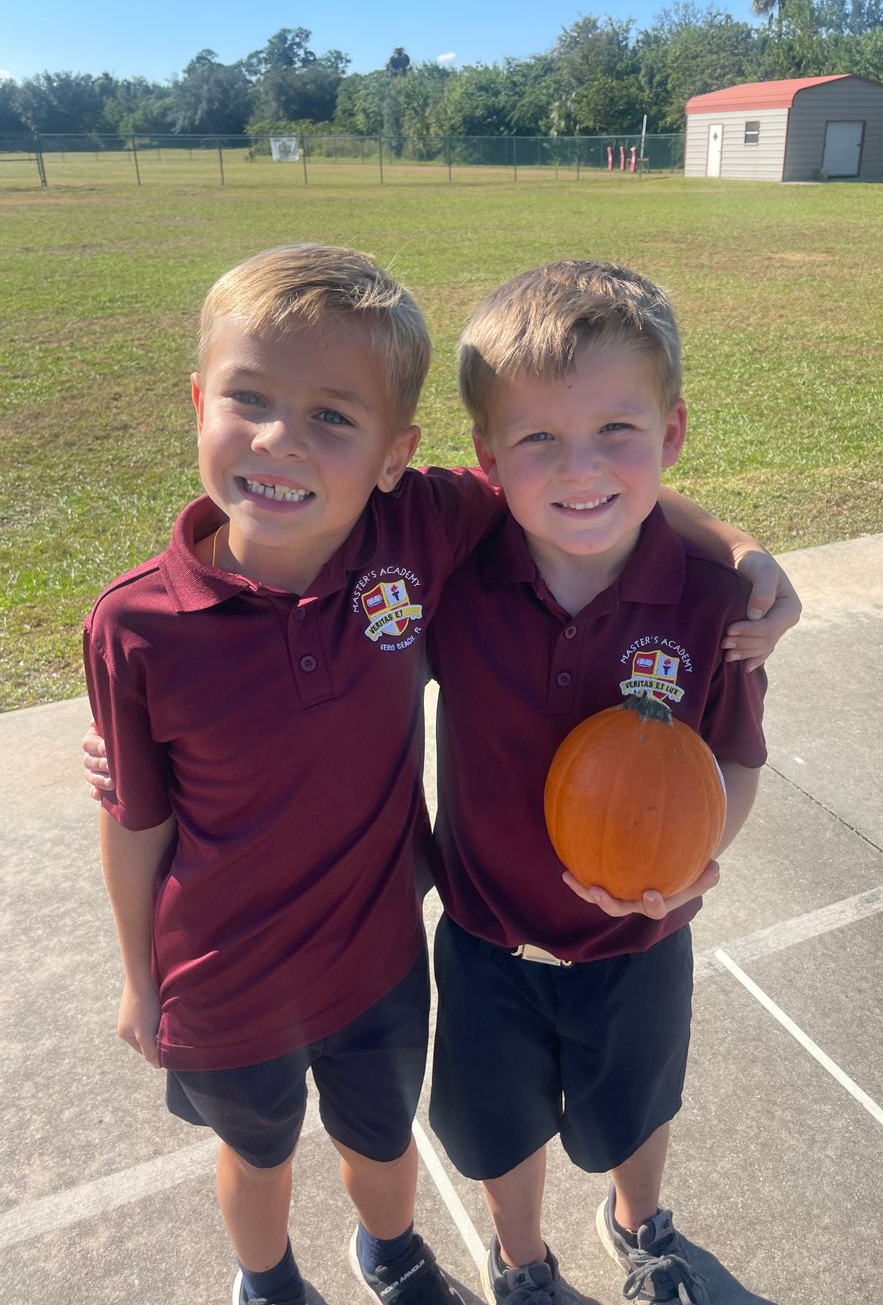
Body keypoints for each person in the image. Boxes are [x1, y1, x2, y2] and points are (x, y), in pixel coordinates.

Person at [82, 245, 797, 1305]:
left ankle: (566, 1234)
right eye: (250, 400)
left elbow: (614, 502)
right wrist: (139, 962)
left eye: (332, 415)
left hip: (524, 946)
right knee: (396, 1138)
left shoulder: (626, 582)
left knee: (593, 1114)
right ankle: (424, 1266)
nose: (283, 440)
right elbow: (145, 788)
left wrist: (742, 555)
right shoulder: (414, 564)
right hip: (383, 951)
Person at [424, 260, 771, 1305]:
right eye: (537, 439)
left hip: (642, 939)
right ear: (489, 461)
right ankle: (521, 1257)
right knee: (497, 1125)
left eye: (618, 431)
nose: (580, 470)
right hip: (490, 937)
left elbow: (736, 759)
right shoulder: (457, 573)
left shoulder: (712, 602)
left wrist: (689, 866)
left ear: (669, 437)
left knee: (638, 1107)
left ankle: (639, 1221)